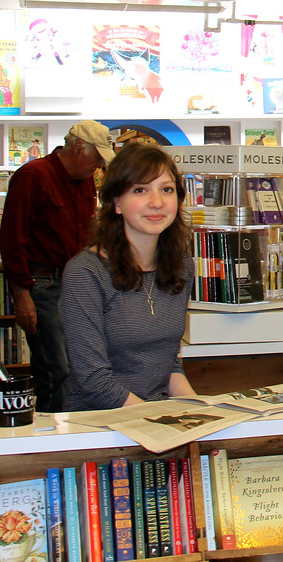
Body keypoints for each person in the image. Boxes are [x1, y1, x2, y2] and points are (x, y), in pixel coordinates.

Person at [59, 143, 197, 411]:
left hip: (156, 422)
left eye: (166, 190)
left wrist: (200, 409)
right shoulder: (86, 273)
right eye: (140, 190)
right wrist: (159, 421)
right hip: (99, 427)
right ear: (116, 203)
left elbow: (167, 362)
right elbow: (94, 381)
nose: (156, 202)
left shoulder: (182, 266)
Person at [0, 120, 115, 412]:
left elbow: (86, 231)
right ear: (78, 147)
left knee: (81, 364)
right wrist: (22, 295)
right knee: (56, 368)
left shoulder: (86, 181)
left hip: (77, 281)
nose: (98, 165)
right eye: (97, 157)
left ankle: (71, 431)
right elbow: (13, 237)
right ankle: (52, 439)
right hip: (44, 284)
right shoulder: (33, 176)